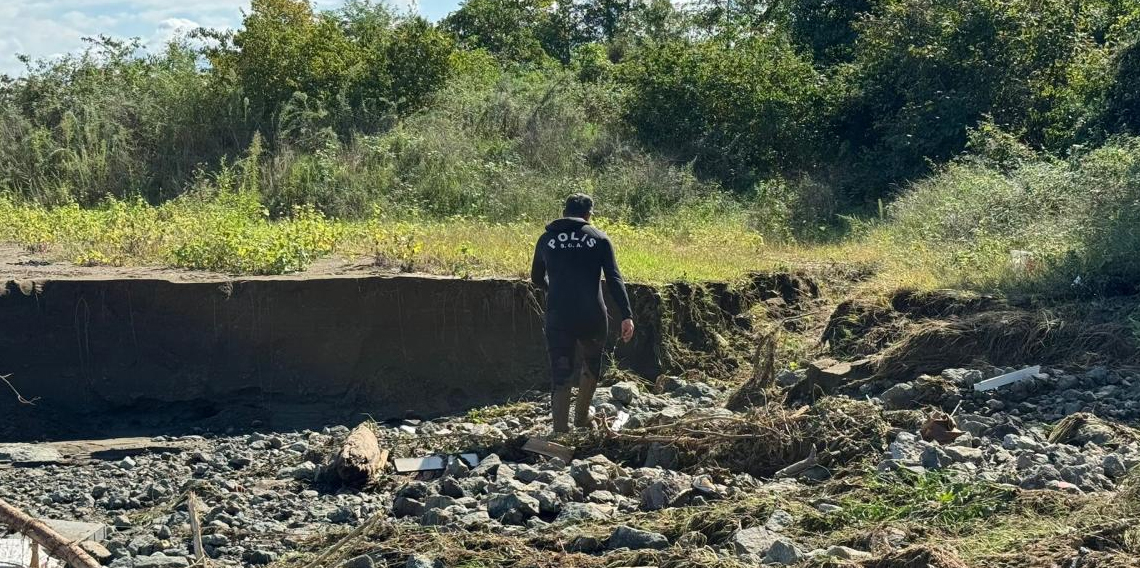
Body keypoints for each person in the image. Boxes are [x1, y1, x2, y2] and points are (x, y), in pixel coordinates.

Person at [531, 193, 635, 433]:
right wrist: (626, 314)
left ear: (564, 211)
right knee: (591, 363)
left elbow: (536, 278)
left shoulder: (546, 239)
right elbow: (614, 278)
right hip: (592, 315)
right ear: (589, 214)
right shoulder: (599, 238)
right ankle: (580, 418)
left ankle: (559, 430)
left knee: (561, 369)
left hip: (559, 314)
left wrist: (554, 289)